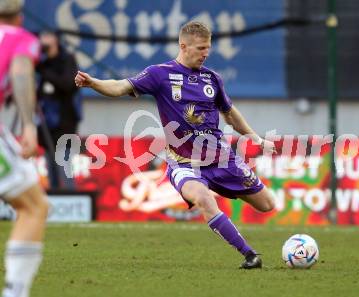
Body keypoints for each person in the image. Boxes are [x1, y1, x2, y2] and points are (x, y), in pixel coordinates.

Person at [75, 21, 276, 269]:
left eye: (208, 48)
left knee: (267, 205)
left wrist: (255, 138)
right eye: (201, 48)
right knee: (203, 199)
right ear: (183, 45)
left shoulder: (212, 79)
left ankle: (224, 188)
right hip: (185, 164)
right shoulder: (159, 74)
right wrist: (94, 83)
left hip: (222, 159)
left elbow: (230, 113)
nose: (206, 53)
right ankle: (249, 254)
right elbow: (121, 86)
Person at [0, 0, 49, 296]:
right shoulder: (19, 39)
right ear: (20, 16)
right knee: (34, 207)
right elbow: (20, 74)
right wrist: (28, 126)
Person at [36, 30, 80, 190]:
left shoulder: (67, 60)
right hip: (46, 125)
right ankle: (55, 204)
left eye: (46, 36)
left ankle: (72, 201)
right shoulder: (41, 64)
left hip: (64, 123)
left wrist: (46, 73)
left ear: (55, 39)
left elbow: (69, 84)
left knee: (65, 166)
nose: (43, 39)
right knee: (51, 168)